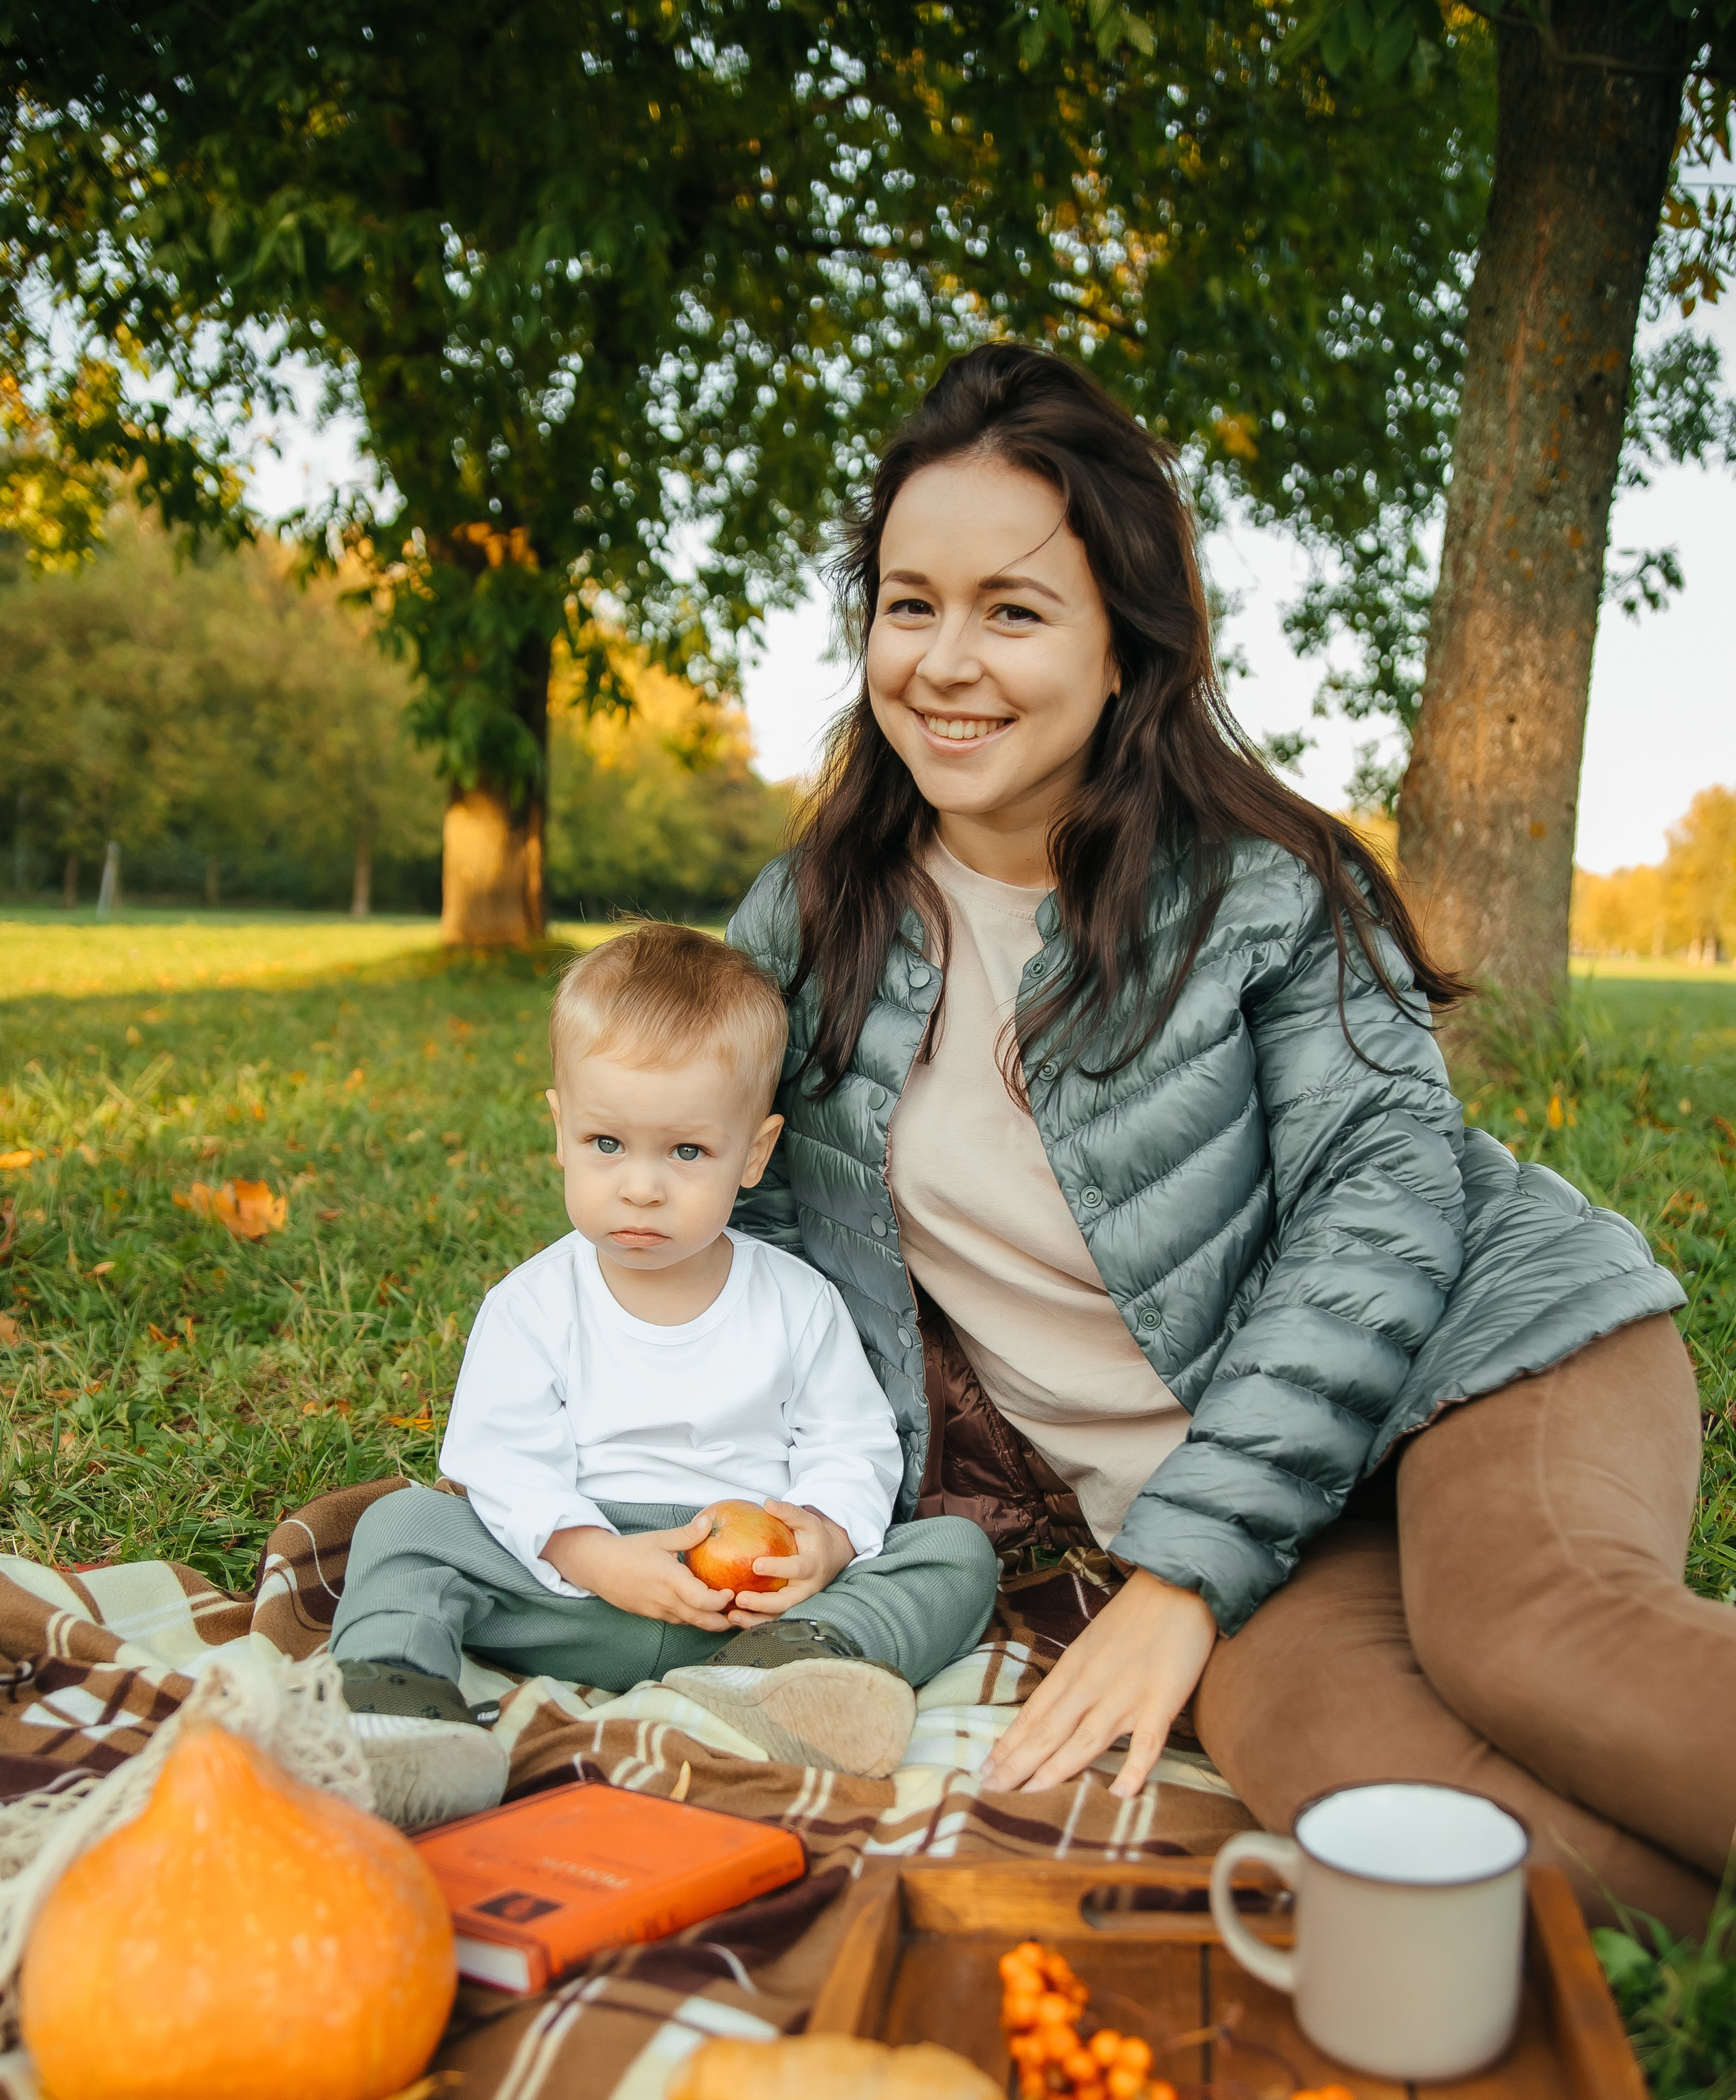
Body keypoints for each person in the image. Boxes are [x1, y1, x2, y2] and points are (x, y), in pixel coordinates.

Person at [726, 340, 1727, 1935]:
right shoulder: (806, 922)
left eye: (1012, 608)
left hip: (1483, 1347)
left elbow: (1381, 1214)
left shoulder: (1262, 885)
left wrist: (1180, 1584)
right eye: (907, 602)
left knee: (1525, 1642)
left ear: (1123, 647)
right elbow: (729, 1230)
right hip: (1242, 1497)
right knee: (1347, 1774)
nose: (943, 658)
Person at [332, 924, 999, 1785]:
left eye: (687, 1151)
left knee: (953, 1552)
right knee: (403, 1526)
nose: (640, 1186)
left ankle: (790, 1672)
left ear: (753, 1154)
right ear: (560, 1130)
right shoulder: (533, 1304)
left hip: (753, 1602)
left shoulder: (797, 1301)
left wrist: (823, 1540)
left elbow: (850, 1444)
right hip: (577, 1585)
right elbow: (501, 1460)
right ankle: (395, 1705)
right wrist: (590, 1554)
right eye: (606, 1145)